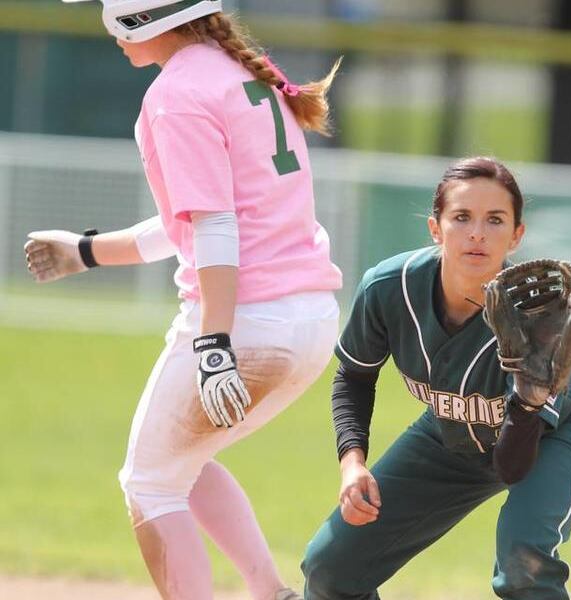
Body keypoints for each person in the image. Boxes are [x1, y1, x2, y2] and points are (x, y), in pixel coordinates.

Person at [24, 2, 342, 599]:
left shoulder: (177, 93)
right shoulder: (241, 72)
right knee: (180, 468)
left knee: (149, 483)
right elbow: (195, 223)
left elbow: (217, 224)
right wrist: (87, 251)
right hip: (308, 322)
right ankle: (271, 592)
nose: (107, 29)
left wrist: (214, 341)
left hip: (247, 323)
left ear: (143, 16)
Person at [301, 157, 571, 599]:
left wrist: (528, 399)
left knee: (523, 564)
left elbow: (511, 466)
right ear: (435, 227)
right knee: (330, 569)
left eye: (495, 220)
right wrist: (352, 463)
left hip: (550, 439)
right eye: (462, 217)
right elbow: (354, 375)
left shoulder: (535, 318)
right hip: (448, 436)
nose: (477, 234)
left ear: (517, 235)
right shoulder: (391, 288)